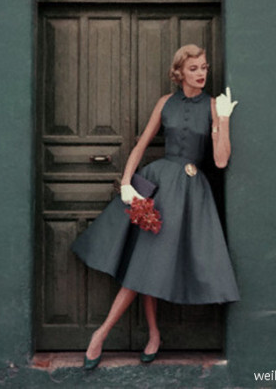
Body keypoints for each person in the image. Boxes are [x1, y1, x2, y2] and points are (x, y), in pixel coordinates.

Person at [71, 44, 240, 369]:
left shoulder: (212, 106)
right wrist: (125, 184)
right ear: (179, 73)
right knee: (146, 264)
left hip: (190, 195)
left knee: (147, 265)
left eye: (204, 67)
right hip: (157, 186)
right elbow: (141, 144)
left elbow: (220, 160)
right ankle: (152, 334)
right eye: (194, 69)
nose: (202, 73)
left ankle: (101, 334)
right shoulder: (165, 103)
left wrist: (225, 117)